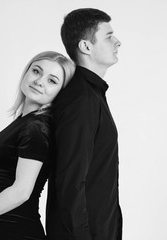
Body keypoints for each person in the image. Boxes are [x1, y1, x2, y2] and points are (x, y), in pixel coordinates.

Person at [0, 51, 75, 240]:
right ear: (26, 72)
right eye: (36, 71)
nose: (39, 81)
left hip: (14, 230)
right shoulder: (26, 122)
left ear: (61, 92)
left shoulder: (36, 126)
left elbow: (21, 191)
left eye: (52, 81)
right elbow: (13, 162)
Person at [46, 8, 123, 240]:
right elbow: (71, 182)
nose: (118, 42)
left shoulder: (90, 94)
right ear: (86, 47)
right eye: (109, 36)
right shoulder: (81, 98)